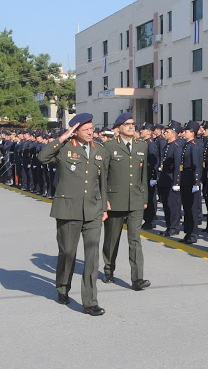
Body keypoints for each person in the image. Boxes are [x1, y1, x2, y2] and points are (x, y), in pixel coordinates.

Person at [37, 113, 108, 316]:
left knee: (92, 257)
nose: (90, 132)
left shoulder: (100, 150)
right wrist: (61, 138)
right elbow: (43, 158)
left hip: (93, 210)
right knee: (68, 253)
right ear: (74, 131)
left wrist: (104, 206)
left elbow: (102, 181)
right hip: (69, 210)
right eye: (85, 130)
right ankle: (62, 287)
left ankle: (90, 302)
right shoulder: (64, 148)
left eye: (91, 129)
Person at [101, 113, 151, 291]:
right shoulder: (108, 146)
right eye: (127, 124)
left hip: (136, 200)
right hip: (115, 200)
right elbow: (103, 176)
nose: (132, 126)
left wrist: (144, 197)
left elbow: (144, 174)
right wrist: (104, 200)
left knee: (135, 240)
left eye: (133, 124)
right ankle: (108, 269)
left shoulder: (142, 146)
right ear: (118, 128)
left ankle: (138, 279)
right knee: (111, 239)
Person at [177, 121, 204, 244]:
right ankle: (188, 233)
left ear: (192, 133)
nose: (184, 133)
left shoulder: (194, 145)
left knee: (192, 209)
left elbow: (197, 165)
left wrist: (196, 182)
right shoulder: (187, 145)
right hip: (185, 178)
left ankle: (193, 234)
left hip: (191, 179)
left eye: (186, 131)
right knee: (187, 208)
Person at [158, 121, 183, 237]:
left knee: (172, 205)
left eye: (167, 131)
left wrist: (176, 182)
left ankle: (174, 227)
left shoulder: (176, 147)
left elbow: (178, 165)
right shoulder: (167, 145)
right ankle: (169, 226)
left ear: (173, 133)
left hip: (171, 178)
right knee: (166, 205)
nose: (164, 133)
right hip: (164, 178)